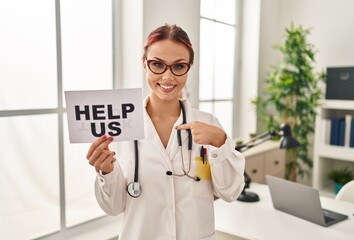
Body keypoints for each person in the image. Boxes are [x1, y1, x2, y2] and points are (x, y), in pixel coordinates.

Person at [86, 24, 245, 240]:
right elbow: (113, 207)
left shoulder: (208, 124)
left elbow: (230, 192)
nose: (168, 77)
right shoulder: (121, 127)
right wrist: (106, 172)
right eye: (158, 64)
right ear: (144, 64)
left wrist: (220, 141)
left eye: (178, 66)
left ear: (189, 67)